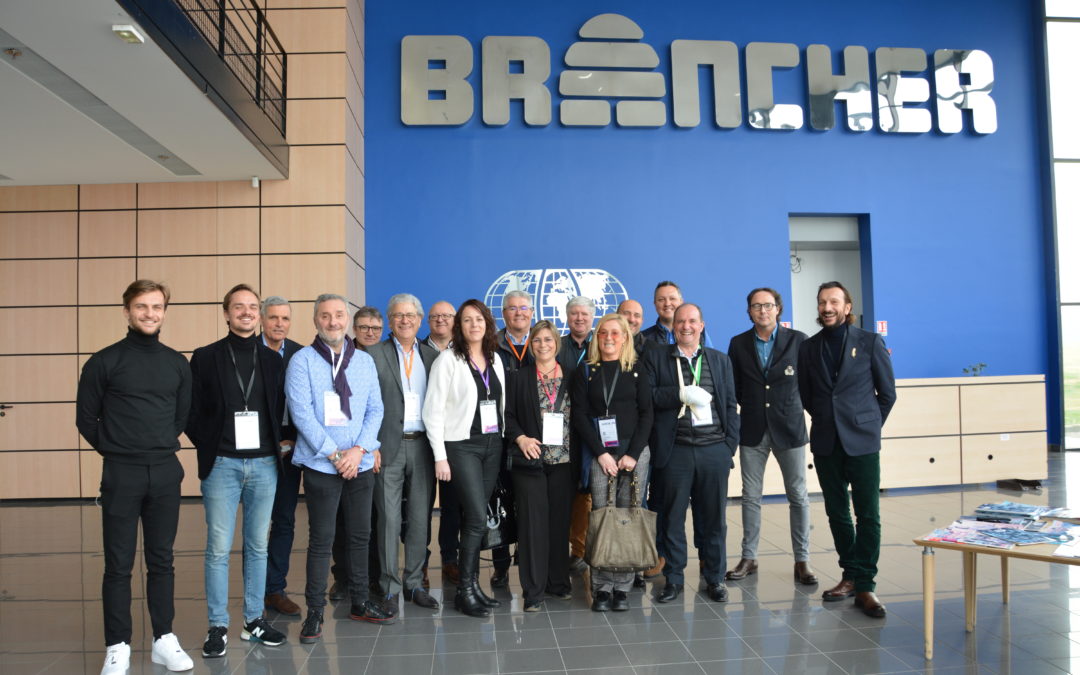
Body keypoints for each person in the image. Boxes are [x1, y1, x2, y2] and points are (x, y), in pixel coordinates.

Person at [76, 280, 194, 675]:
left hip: (164, 472)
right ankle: (118, 645)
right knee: (118, 564)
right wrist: (118, 448)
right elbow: (86, 419)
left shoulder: (177, 363)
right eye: (141, 306)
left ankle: (164, 639)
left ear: (164, 311)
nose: (149, 313)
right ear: (126, 311)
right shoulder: (103, 362)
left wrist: (155, 446)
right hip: (121, 472)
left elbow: (180, 417)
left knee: (162, 561)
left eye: (157, 306)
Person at [288, 294, 394, 645]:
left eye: (338, 315)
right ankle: (314, 610)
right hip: (322, 465)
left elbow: (375, 411)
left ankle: (361, 601)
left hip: (360, 463)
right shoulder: (302, 361)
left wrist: (359, 450)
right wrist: (336, 456)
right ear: (315, 321)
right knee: (321, 540)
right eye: (325, 316)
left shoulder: (362, 362)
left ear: (346, 320)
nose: (333, 322)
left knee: (360, 536)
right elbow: (302, 415)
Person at [187, 284, 288, 656]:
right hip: (222, 465)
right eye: (238, 307)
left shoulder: (274, 360)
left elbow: (280, 409)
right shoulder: (205, 357)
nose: (246, 312)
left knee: (258, 546)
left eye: (252, 307)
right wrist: (210, 445)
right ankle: (218, 626)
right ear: (226, 313)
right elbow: (191, 411)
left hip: (264, 465)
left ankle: (253, 620)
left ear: (259, 314)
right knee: (217, 548)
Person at [798, 281, 896, 618]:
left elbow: (888, 394)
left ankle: (865, 583)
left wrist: (867, 426)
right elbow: (807, 395)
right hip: (826, 442)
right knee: (837, 512)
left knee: (868, 514)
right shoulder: (808, 348)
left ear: (847, 307)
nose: (827, 307)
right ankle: (849, 575)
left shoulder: (870, 342)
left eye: (834, 302)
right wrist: (831, 421)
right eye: (822, 301)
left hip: (863, 443)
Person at [643, 303, 739, 604]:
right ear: (673, 326)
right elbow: (646, 397)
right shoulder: (657, 357)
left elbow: (729, 406)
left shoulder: (719, 360)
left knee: (713, 520)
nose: (686, 326)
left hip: (713, 451)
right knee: (671, 519)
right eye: (681, 321)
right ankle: (673, 579)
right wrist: (678, 394)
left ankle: (714, 578)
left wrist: (728, 448)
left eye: (692, 321)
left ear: (702, 325)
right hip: (675, 452)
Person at [423, 299, 507, 617]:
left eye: (479, 319)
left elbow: (500, 405)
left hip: (491, 445)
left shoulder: (495, 360)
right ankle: (464, 591)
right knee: (473, 517)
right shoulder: (448, 360)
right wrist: (440, 457)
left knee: (478, 519)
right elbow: (433, 411)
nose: (474, 325)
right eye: (467, 320)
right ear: (459, 326)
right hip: (462, 446)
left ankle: (472, 587)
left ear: (487, 323)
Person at [726, 288, 817, 585]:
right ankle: (748, 557)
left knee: (798, 496)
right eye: (756, 306)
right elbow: (734, 387)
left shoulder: (798, 340)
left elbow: (807, 383)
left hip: (789, 427)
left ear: (778, 309)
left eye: (768, 305)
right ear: (749, 311)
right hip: (752, 428)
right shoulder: (738, 344)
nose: (762, 311)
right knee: (750, 496)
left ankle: (802, 560)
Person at [571, 314, 653, 612]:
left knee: (628, 516)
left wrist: (632, 454)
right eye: (603, 332)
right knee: (601, 516)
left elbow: (647, 414)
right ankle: (601, 586)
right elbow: (578, 416)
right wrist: (601, 454)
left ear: (625, 337)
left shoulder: (637, 370)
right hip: (600, 455)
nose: (608, 337)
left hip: (634, 455)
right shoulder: (586, 372)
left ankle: (623, 588)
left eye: (615, 333)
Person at [367, 294, 440, 612]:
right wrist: (371, 444)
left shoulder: (431, 357)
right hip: (388, 446)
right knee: (388, 518)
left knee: (420, 518)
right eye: (398, 315)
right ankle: (388, 587)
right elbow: (365, 405)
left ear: (420, 320)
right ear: (390, 320)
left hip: (423, 445)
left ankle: (413, 584)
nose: (405, 320)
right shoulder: (372, 355)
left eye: (411, 315)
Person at [505, 321, 574, 612]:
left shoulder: (573, 376)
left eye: (548, 339)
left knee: (559, 526)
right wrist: (520, 438)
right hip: (530, 463)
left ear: (556, 343)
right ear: (530, 345)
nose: (542, 345)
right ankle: (533, 592)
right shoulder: (518, 377)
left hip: (564, 463)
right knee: (532, 527)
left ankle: (558, 583)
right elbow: (506, 415)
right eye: (537, 341)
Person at [260, 297, 306, 617]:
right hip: (254, 449)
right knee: (256, 522)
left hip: (290, 446)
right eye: (273, 317)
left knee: (285, 519)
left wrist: (294, 439)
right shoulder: (247, 351)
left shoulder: (301, 355)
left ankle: (275, 588)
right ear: (262, 320)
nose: (279, 323)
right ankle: (255, 587)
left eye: (285, 318)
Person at [558, 296, 596, 574]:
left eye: (584, 314)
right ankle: (559, 548)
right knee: (564, 492)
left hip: (592, 429)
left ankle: (582, 551)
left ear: (592, 318)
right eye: (574, 314)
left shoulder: (603, 342)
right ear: (567, 317)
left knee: (588, 492)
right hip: (558, 430)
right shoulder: (555, 344)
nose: (579, 318)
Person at [497, 290, 534, 371]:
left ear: (532, 312)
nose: (519, 313)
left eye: (524, 308)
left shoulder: (545, 344)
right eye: (512, 308)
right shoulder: (491, 344)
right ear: (503, 313)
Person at [641, 281, 683, 345]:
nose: (667, 304)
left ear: (681, 302)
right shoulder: (643, 339)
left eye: (672, 298)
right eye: (661, 300)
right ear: (655, 304)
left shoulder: (694, 335)